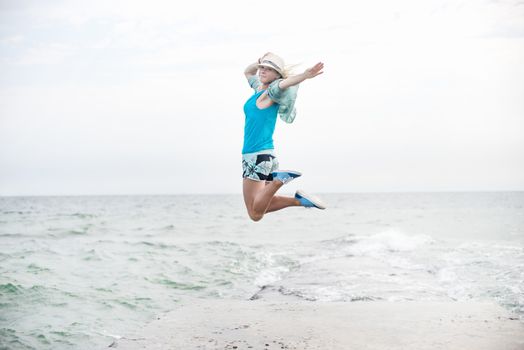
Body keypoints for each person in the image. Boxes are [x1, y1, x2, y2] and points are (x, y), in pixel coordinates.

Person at [242, 52, 326, 222]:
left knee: (254, 214)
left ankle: (278, 181)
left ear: (277, 75)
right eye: (262, 68)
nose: (262, 71)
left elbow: (284, 84)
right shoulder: (259, 90)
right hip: (268, 157)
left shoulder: (271, 93)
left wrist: (304, 76)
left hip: (255, 156)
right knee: (264, 203)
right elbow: (247, 72)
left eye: (268, 69)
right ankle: (299, 201)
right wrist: (259, 62)